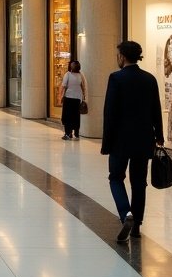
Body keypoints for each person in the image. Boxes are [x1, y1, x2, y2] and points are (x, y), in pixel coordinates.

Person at [101, 40, 164, 243]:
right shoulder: (149, 79)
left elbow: (109, 113)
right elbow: (156, 110)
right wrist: (160, 136)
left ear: (122, 56)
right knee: (139, 183)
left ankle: (126, 213)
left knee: (116, 177)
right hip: (144, 139)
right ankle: (137, 224)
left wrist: (106, 142)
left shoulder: (116, 79)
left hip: (120, 139)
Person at [59, 58, 87, 139]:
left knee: (67, 116)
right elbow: (83, 87)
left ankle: (68, 133)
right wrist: (83, 97)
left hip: (69, 98)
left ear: (71, 67)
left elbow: (63, 86)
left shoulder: (67, 74)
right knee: (76, 116)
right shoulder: (81, 75)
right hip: (78, 98)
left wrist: (60, 96)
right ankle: (76, 133)